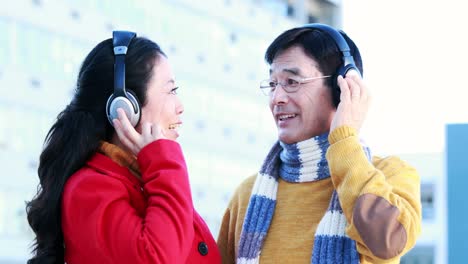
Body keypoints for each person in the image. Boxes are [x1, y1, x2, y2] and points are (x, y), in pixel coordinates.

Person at [217, 23, 421, 263]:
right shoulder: (247, 195)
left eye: (292, 82)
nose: (277, 98)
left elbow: (388, 241)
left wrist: (345, 139)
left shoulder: (389, 176)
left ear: (341, 88)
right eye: (272, 84)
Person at [26, 31, 221, 264]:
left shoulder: (146, 180)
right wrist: (162, 160)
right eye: (171, 91)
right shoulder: (90, 189)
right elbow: (156, 259)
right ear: (126, 106)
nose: (180, 107)